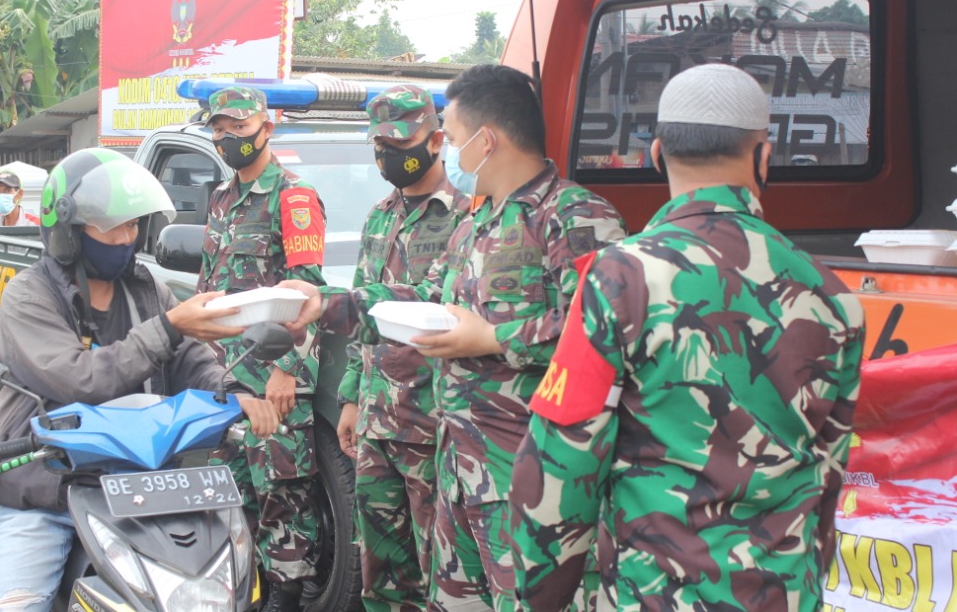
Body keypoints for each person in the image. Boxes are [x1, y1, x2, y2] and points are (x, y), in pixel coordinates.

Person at [508, 64, 865, 611]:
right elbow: (828, 475)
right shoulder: (835, 297)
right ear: (764, 159)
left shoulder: (621, 275)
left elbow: (562, 460)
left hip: (652, 594)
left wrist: (540, 600)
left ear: (655, 154)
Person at [281, 64, 626, 612]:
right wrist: (328, 304)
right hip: (457, 459)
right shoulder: (477, 224)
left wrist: (493, 337)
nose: (455, 155)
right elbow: (424, 305)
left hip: (531, 471)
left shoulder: (574, 218)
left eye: (457, 138)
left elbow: (606, 333)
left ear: (486, 140)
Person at [0, 148, 280, 612]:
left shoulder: (146, 288)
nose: (126, 239)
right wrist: (171, 327)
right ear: (70, 233)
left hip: (142, 482)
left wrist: (232, 390)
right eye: (112, 227)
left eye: (133, 225)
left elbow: (189, 360)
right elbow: (81, 380)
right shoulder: (28, 296)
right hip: (48, 485)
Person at [336, 84, 471, 612]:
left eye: (398, 141)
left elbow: (438, 303)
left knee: (439, 570)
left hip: (430, 423)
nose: (386, 155)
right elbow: (362, 319)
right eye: (378, 145)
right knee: (382, 572)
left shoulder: (465, 217)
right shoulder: (379, 216)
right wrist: (351, 396)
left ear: (437, 140)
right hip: (376, 423)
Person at [196, 85, 327, 612]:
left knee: (282, 493)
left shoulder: (292, 197)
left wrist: (288, 370)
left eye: (240, 129)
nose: (229, 139)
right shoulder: (222, 199)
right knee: (234, 491)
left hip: (272, 372)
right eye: (221, 130)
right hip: (229, 375)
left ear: (267, 130)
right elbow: (210, 287)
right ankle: (250, 591)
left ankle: (286, 596)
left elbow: (307, 294)